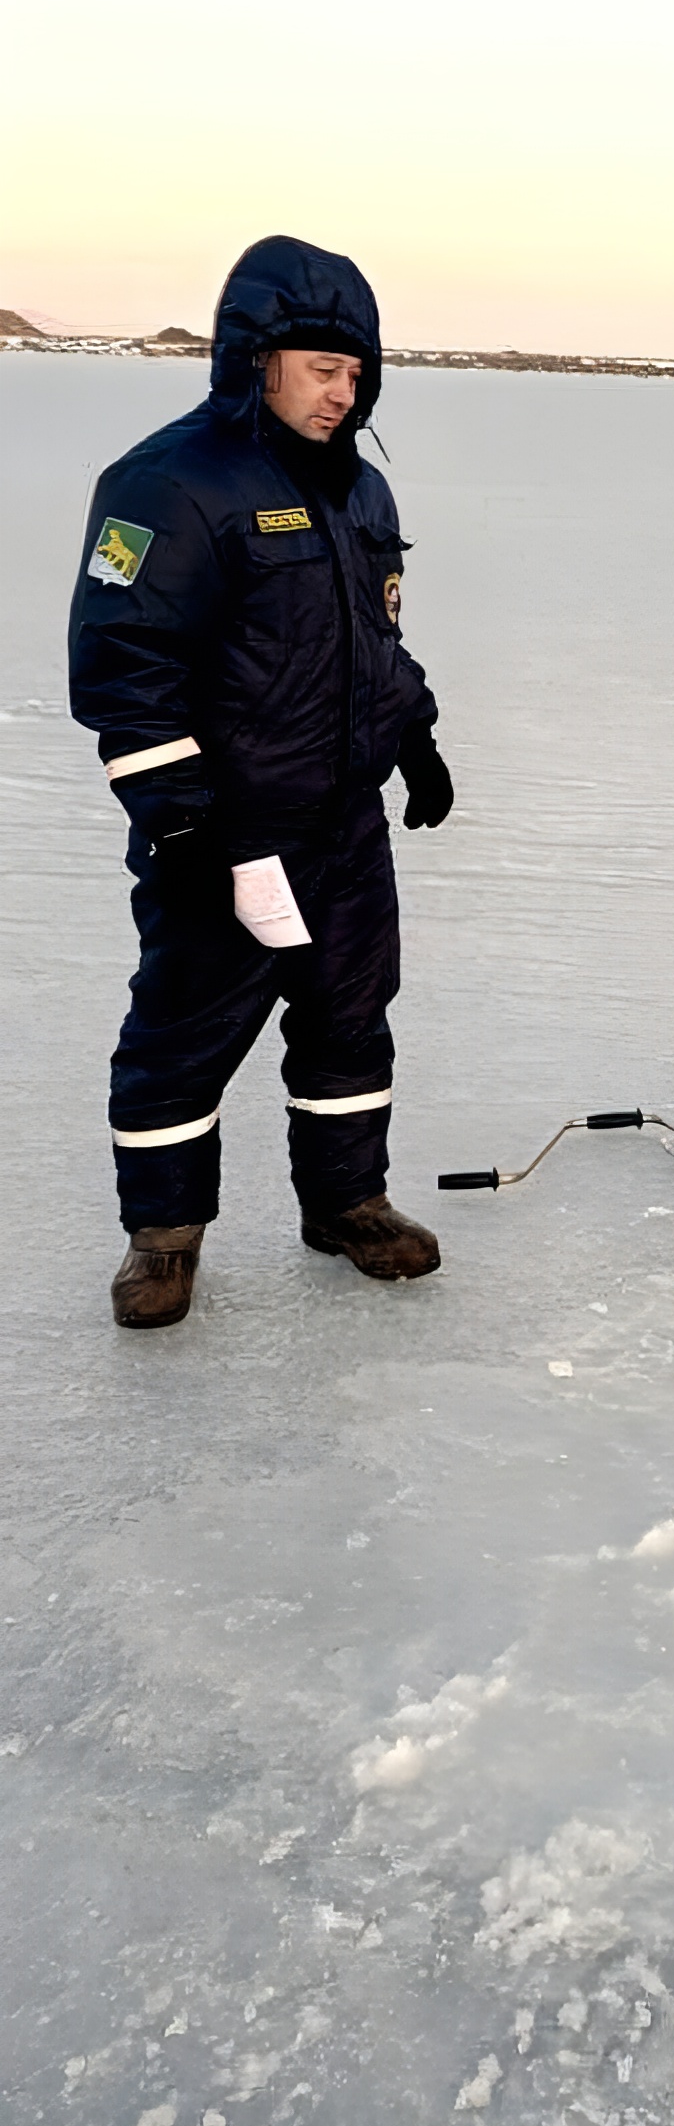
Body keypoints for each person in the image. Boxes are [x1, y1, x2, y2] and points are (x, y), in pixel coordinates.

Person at [70, 235, 455, 1328]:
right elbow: (124, 673)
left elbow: (377, 641)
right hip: (224, 832)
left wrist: (415, 737)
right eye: (323, 369)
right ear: (254, 358)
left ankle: (347, 1201)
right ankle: (166, 1239)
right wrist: (182, 821)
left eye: (358, 373)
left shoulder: (360, 492)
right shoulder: (168, 484)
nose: (345, 392)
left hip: (344, 830)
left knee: (348, 1020)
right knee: (183, 1037)